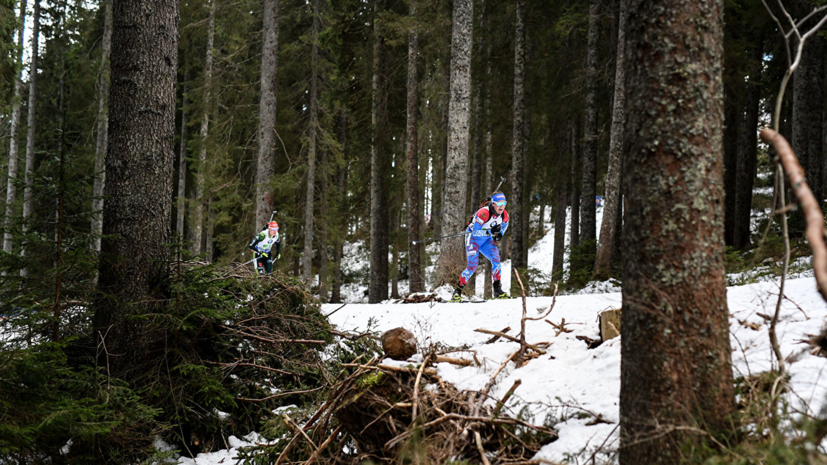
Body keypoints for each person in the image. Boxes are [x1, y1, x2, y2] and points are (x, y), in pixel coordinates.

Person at [450, 192, 510, 302]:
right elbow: (475, 232)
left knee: (496, 260)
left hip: (486, 240)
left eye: (504, 203)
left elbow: (505, 224)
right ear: (493, 203)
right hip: (473, 240)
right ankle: (457, 293)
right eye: (499, 203)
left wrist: (500, 233)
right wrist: (491, 232)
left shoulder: (504, 214)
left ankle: (497, 290)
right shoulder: (484, 213)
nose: (502, 206)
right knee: (472, 266)